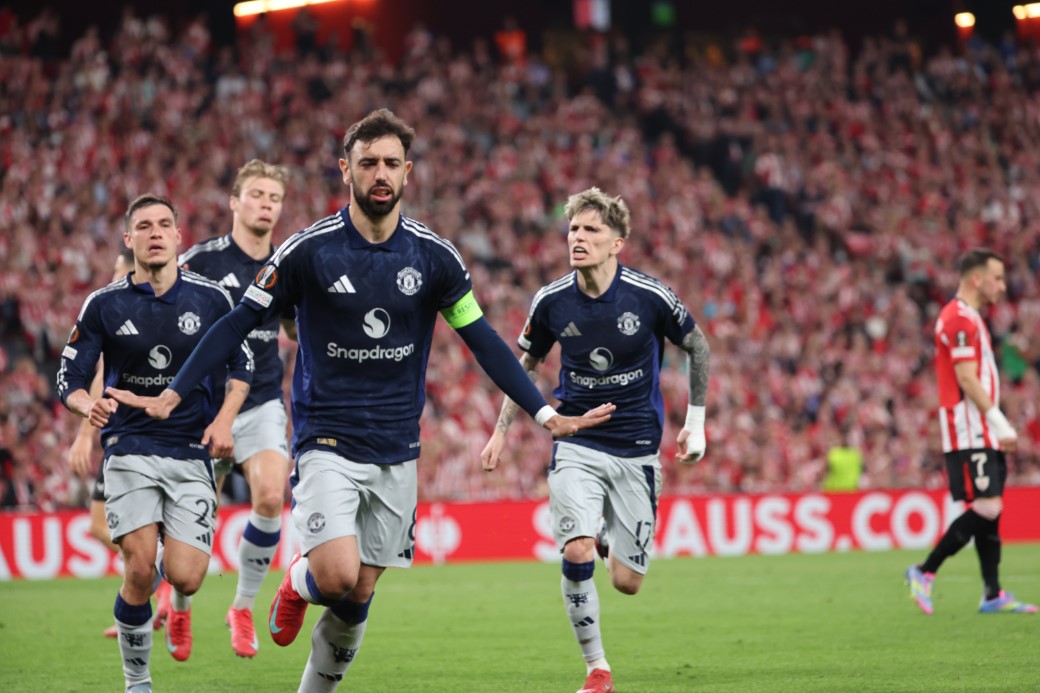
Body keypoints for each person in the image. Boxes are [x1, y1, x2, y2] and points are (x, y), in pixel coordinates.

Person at [107, 108, 614, 693]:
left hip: (398, 448)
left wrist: (545, 414)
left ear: (408, 172)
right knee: (335, 574)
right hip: (327, 440)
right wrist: (175, 391)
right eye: (368, 162)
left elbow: (482, 340)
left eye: (392, 163)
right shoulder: (306, 252)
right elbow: (235, 322)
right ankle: (298, 581)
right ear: (345, 170)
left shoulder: (434, 257)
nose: (381, 173)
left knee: (360, 592)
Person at [480, 187, 710, 693]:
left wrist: (695, 422)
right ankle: (597, 668)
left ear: (617, 243)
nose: (578, 238)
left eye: (591, 230)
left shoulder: (649, 296)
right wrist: (500, 432)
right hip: (577, 444)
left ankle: (608, 539)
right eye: (573, 229)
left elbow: (697, 344)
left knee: (627, 583)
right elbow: (525, 366)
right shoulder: (551, 300)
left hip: (637, 449)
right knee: (578, 550)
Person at [57, 194, 253, 692]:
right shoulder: (104, 304)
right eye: (144, 226)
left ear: (179, 236)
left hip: (190, 449)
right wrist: (86, 406)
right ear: (129, 240)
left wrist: (225, 421)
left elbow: (243, 365)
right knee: (140, 568)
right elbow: (69, 377)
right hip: (130, 445)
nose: (155, 233)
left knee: (186, 577)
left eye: (164, 224)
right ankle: (137, 682)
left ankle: (176, 591)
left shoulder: (212, 299)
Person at [178, 159, 293, 658]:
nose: (266, 205)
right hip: (206, 406)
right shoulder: (200, 262)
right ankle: (179, 607)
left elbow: (295, 328)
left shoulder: (286, 266)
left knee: (269, 496)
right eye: (257, 195)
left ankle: (241, 607)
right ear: (234, 202)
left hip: (261, 399)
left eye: (274, 198)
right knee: (194, 523)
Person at [905, 248, 1037, 615]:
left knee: (991, 507)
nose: (1003, 286)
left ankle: (992, 594)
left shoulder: (971, 318)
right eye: (997, 278)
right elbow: (966, 378)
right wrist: (999, 422)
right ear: (977, 279)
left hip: (982, 428)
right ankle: (924, 570)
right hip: (970, 429)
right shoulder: (958, 319)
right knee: (988, 506)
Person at [66, 248, 177, 639]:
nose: (115, 276)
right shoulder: (117, 306)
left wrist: (84, 436)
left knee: (116, 529)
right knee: (103, 526)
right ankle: (151, 581)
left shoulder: (133, 308)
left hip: (134, 433)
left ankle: (153, 580)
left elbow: (103, 380)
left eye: (119, 269)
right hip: (124, 433)